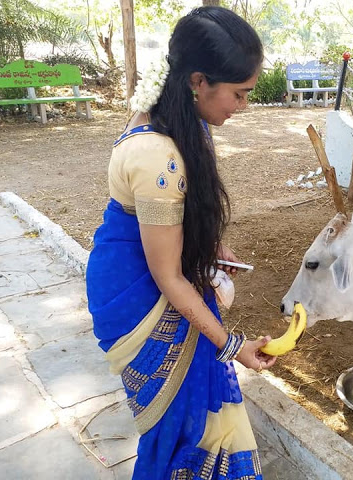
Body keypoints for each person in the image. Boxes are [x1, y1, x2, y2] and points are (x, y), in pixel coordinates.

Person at [85, 6, 276, 479]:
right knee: (176, 427)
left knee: (195, 415)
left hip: (152, 264)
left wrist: (210, 245)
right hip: (137, 294)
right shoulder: (156, 155)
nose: (242, 106)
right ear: (198, 81)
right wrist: (233, 346)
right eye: (239, 93)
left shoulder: (181, 115)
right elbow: (168, 277)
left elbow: (179, 215)